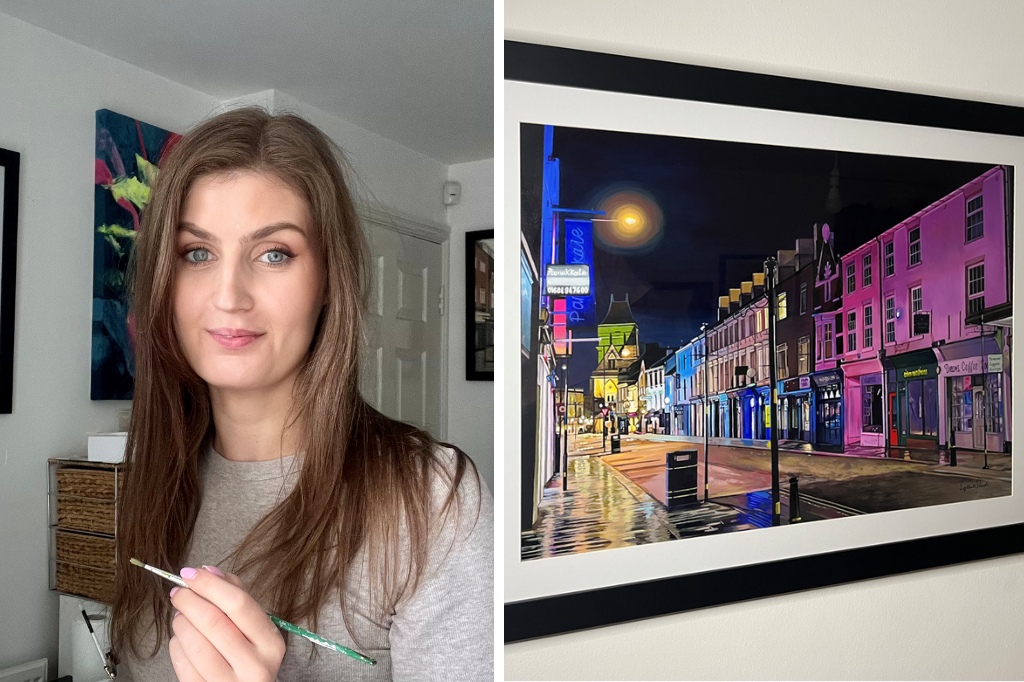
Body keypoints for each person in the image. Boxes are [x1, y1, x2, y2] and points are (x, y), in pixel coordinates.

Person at [109, 107, 493, 681]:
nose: (230, 295)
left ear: (328, 282)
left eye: (274, 254)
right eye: (198, 253)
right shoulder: (155, 478)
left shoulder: (432, 502)